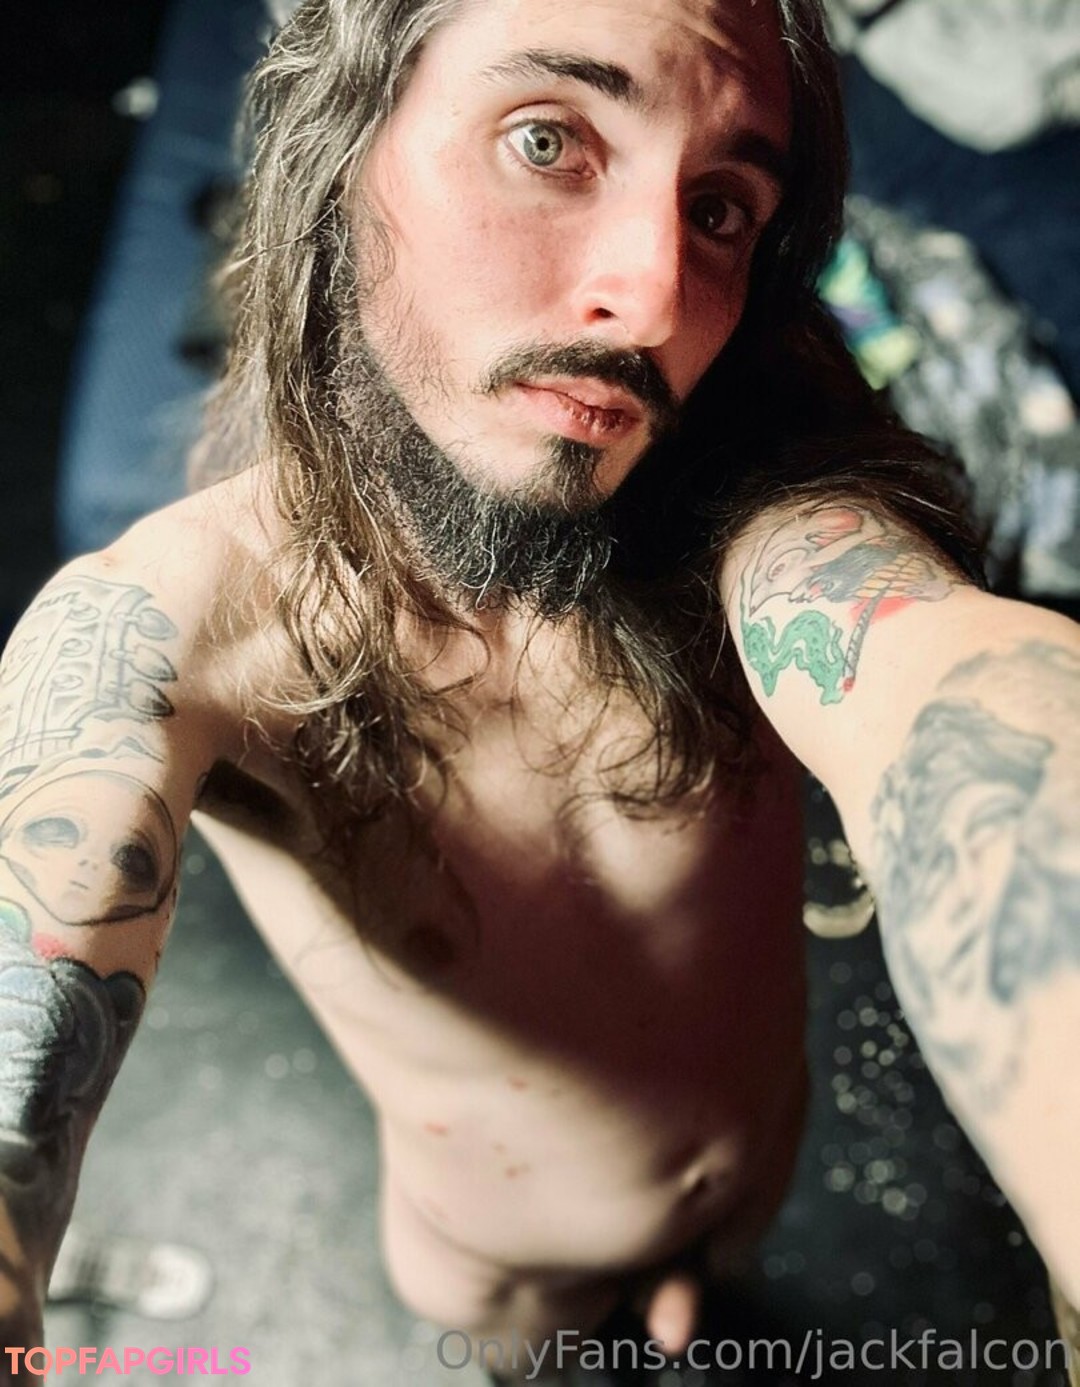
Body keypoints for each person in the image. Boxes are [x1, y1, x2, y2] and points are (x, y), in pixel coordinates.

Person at [2, 0, 1078, 1379]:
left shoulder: (763, 508)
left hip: (754, 1171)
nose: (656, 297)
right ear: (342, 149)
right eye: (548, 141)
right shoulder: (177, 629)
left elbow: (962, 690)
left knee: (709, 1308)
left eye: (720, 209)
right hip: (501, 1263)